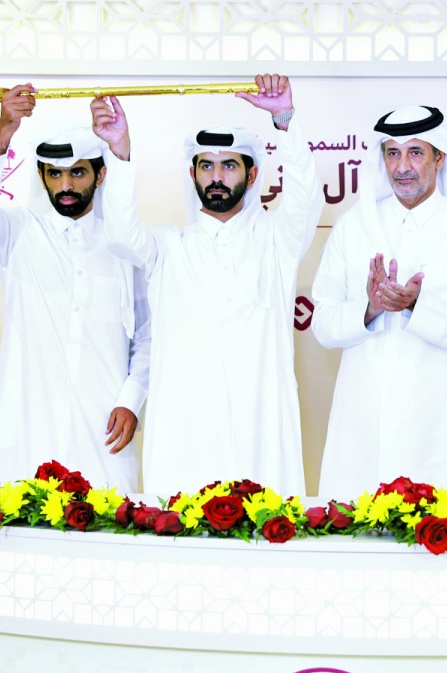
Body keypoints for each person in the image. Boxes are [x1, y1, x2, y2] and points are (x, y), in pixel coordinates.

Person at [92, 73, 323, 495]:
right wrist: (120, 151)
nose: (217, 176)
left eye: (229, 165)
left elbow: (306, 201)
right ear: (193, 174)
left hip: (260, 428)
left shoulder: (277, 241)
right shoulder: (167, 247)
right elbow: (121, 233)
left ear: (252, 176)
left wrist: (285, 120)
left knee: (266, 519)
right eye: (207, 166)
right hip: (187, 433)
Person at [0, 85, 150, 490]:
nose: (65, 185)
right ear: (41, 176)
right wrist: (4, 131)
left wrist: (131, 399)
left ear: (100, 175)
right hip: (29, 426)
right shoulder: (18, 234)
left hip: (104, 428)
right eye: (54, 173)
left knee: (107, 519)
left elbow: (147, 335)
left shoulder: (124, 246)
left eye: (77, 172)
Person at [311, 105, 447, 497]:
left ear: (439, 158)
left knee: (437, 528)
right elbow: (323, 325)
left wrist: (417, 306)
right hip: (364, 425)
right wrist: (370, 309)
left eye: (415, 152)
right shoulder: (353, 225)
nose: (402, 166)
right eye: (392, 153)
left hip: (440, 429)